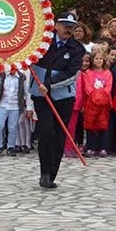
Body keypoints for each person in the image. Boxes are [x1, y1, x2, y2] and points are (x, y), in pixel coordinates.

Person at [30, 12, 85, 189]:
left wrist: (50, 84)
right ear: (56, 25)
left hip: (63, 97)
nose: (68, 29)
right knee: (46, 132)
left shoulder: (77, 49)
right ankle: (44, 172)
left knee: (59, 136)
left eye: (72, 26)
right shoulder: (41, 42)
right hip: (40, 95)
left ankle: (52, 172)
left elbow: (72, 74)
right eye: (65, 25)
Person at [0, 70, 33, 157]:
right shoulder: (1, 76)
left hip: (15, 106)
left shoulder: (22, 77)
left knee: (13, 127)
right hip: (2, 104)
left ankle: (11, 147)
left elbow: (27, 92)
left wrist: (29, 107)